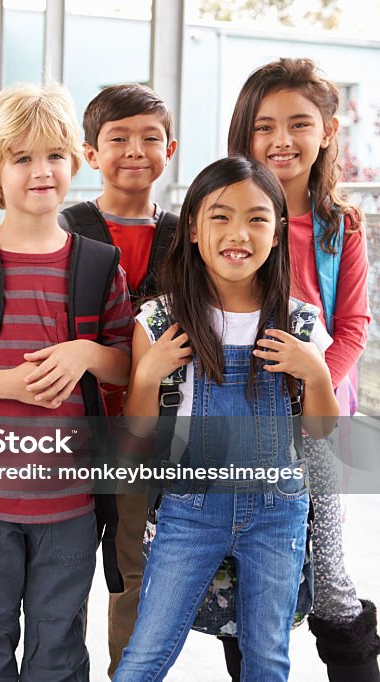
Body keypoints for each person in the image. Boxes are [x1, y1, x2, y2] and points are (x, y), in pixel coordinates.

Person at [0, 82, 134, 681]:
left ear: (76, 163)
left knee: (59, 647)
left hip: (70, 502)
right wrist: (8, 385)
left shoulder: (98, 267)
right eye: (22, 158)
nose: (42, 171)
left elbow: (126, 364)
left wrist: (86, 351)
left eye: (55, 156)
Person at [114, 156, 339, 682]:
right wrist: (147, 378)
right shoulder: (161, 319)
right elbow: (136, 434)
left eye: (257, 218)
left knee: (268, 661)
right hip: (188, 510)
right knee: (146, 655)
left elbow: (323, 432)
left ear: (278, 232)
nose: (239, 232)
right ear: (192, 228)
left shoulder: (300, 321)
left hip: (278, 512)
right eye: (220, 216)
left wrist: (318, 376)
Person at [227, 57, 378, 681]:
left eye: (299, 124)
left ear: (327, 131)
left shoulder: (339, 227)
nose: (281, 140)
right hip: (236, 424)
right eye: (265, 126)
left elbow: (352, 328)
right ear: (245, 133)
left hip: (314, 428)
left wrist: (314, 377)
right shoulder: (220, 216)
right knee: (245, 576)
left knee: (330, 571)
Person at [69, 83, 179, 676]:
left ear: (171, 149)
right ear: (90, 153)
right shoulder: (64, 229)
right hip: (70, 426)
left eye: (150, 138)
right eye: (118, 138)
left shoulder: (188, 236)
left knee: (131, 566)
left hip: (146, 434)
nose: (135, 150)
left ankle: (127, 671)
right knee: (61, 567)